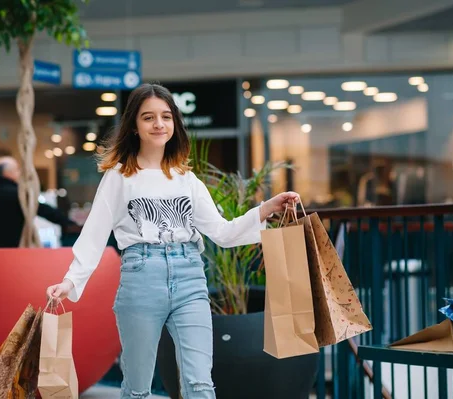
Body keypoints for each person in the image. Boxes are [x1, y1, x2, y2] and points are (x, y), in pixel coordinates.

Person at [45, 83, 300, 399]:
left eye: (166, 116)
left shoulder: (186, 178)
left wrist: (266, 208)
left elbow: (222, 231)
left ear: (175, 124)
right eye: (148, 117)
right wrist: (70, 282)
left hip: (190, 278)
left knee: (200, 384)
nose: (158, 124)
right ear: (135, 126)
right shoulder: (119, 176)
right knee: (137, 388)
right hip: (141, 279)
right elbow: (94, 235)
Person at [0, 156, 75, 248]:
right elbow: (43, 210)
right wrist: (69, 223)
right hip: (13, 248)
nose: (19, 173)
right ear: (7, 173)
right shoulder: (19, 194)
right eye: (17, 170)